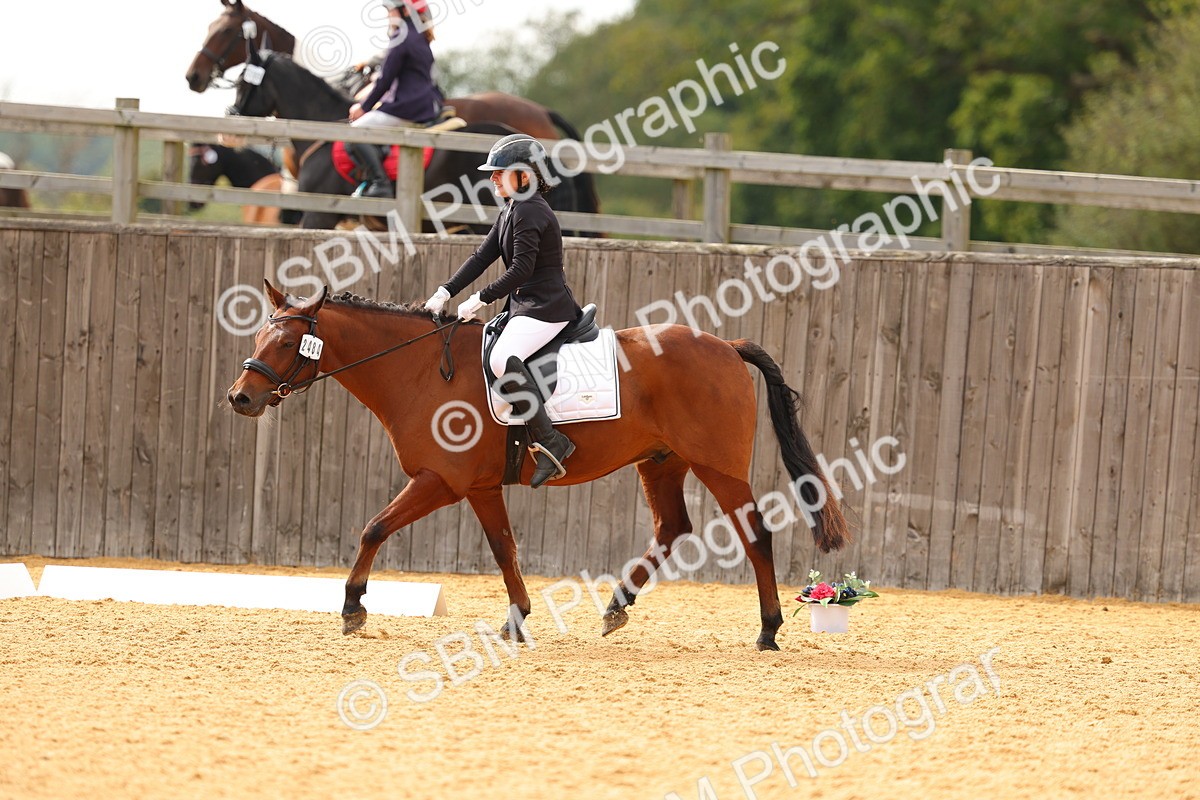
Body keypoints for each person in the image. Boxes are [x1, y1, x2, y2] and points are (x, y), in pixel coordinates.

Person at [424, 134, 583, 488]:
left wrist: (481, 297)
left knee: (502, 358)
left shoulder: (531, 210)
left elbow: (521, 270)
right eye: (493, 173)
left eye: (501, 172)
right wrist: (445, 291)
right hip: (524, 305)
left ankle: (551, 439)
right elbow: (481, 257)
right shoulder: (512, 207)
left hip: (546, 307)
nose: (493, 178)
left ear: (525, 175)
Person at [346, 0, 442, 198]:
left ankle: (380, 184)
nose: (388, 15)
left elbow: (385, 80)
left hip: (405, 108)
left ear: (405, 11)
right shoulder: (421, 37)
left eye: (390, 11)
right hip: (422, 107)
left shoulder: (401, 37)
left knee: (354, 135)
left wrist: (364, 107)